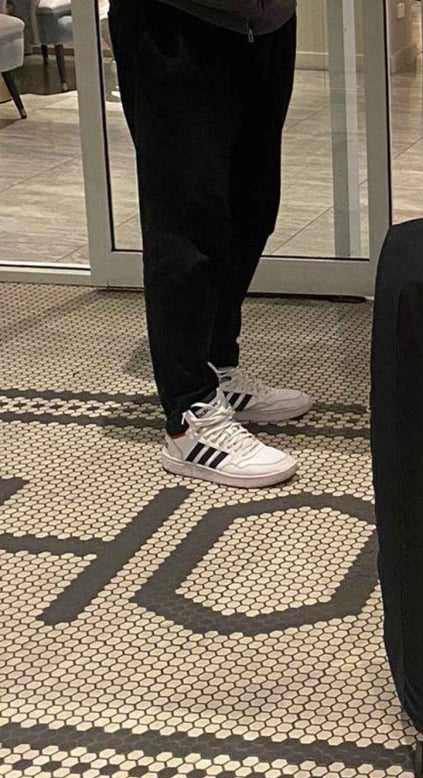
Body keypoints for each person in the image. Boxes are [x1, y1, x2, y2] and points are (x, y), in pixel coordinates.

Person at [110, 0, 312, 489]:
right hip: (176, 23)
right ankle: (189, 414)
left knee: (252, 210)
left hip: (266, 25)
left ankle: (218, 368)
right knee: (187, 226)